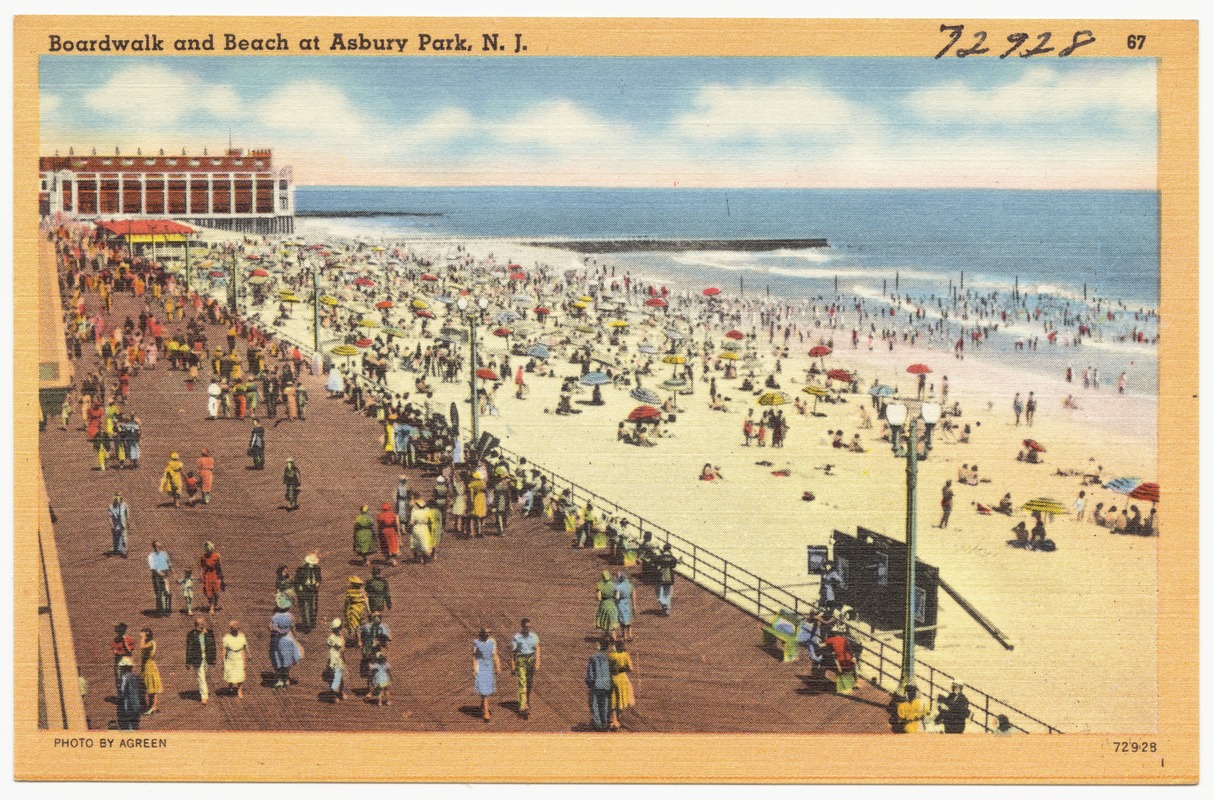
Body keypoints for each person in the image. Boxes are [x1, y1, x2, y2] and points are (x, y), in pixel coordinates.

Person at [269, 596, 303, 688]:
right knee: (287, 660)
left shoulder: (275, 617)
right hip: (289, 639)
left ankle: (280, 679)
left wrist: (278, 631)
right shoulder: (291, 616)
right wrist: (295, 638)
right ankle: (286, 679)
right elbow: (293, 629)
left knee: (278, 659)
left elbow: (271, 628)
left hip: (278, 640)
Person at [510, 618, 540, 719]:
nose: (527, 629)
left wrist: (537, 662)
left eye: (529, 627)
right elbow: (513, 653)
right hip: (521, 660)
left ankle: (526, 700)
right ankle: (522, 705)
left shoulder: (534, 636)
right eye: (525, 627)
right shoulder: (517, 638)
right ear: (522, 626)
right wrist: (513, 665)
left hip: (531, 660)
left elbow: (537, 649)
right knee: (522, 682)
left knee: (529, 683)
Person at [184, 616, 217, 705]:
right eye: (198, 624)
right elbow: (189, 648)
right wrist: (188, 662)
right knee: (201, 677)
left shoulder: (209, 633)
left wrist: (214, 659)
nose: (200, 626)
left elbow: (213, 646)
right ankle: (204, 696)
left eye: (201, 624)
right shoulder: (191, 634)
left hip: (206, 658)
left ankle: (204, 692)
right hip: (197, 658)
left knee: (203, 676)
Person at [585, 637, 613, 731]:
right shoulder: (609, 657)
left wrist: (589, 682)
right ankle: (604, 723)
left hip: (596, 684)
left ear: (600, 645)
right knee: (605, 704)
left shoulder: (593, 657)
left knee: (595, 704)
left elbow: (590, 672)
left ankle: (598, 724)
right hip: (607, 684)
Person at [473, 627, 501, 722]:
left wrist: (498, 666)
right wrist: (474, 668)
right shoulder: (476, 642)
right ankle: (486, 713)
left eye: (489, 632)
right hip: (480, 668)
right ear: (482, 633)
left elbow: (495, 655)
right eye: (486, 632)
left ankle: (483, 704)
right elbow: (474, 657)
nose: (488, 634)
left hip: (489, 667)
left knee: (486, 689)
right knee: (484, 690)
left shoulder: (492, 642)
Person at [608, 640, 636, 731]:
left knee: (613, 699)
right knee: (621, 698)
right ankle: (618, 720)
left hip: (613, 678)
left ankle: (614, 720)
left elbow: (609, 667)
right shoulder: (626, 655)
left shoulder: (611, 655)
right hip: (623, 678)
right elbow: (630, 669)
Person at [294, 552, 322, 632]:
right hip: (304, 589)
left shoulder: (317, 568)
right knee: (305, 607)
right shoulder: (301, 569)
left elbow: (319, 578)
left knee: (313, 607)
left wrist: (318, 583)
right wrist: (300, 588)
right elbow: (297, 580)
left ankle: (312, 622)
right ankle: (307, 624)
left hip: (313, 589)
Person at [115, 657, 143, 730]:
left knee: (129, 718)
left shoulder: (125, 677)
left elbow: (123, 690)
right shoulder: (136, 676)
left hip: (128, 702)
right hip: (137, 701)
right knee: (136, 719)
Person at [139, 627, 162, 715]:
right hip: (146, 667)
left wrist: (142, 638)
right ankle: (152, 705)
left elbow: (141, 647)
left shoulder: (151, 643)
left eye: (142, 632)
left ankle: (153, 707)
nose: (140, 633)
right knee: (149, 688)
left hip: (150, 667)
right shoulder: (149, 643)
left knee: (153, 688)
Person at [222, 620, 247, 698]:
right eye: (233, 629)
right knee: (230, 673)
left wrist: (249, 654)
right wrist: (223, 660)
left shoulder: (242, 636)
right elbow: (224, 650)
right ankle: (230, 686)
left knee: (240, 674)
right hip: (230, 657)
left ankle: (239, 690)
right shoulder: (227, 637)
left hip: (239, 657)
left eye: (236, 629)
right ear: (231, 629)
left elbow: (245, 646)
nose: (235, 631)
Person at [147, 540, 173, 616]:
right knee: (159, 593)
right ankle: (160, 610)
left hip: (165, 576)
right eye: (155, 546)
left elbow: (169, 563)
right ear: (153, 547)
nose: (157, 548)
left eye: (159, 546)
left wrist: (170, 569)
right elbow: (152, 568)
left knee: (167, 593)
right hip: (156, 577)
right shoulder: (151, 556)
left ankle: (168, 610)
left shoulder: (165, 554)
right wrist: (160, 573)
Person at [111, 623, 137, 695]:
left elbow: (129, 650)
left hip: (127, 661)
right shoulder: (115, 640)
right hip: (119, 661)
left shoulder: (129, 640)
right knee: (119, 680)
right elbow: (114, 651)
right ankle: (122, 696)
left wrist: (124, 641)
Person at [595, 569, 620, 640]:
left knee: (605, 620)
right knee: (613, 620)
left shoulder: (600, 584)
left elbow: (599, 598)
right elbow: (617, 596)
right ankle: (613, 636)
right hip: (612, 604)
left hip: (604, 605)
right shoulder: (614, 584)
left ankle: (606, 636)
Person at [326, 618, 347, 701]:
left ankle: (337, 693)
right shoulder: (339, 638)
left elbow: (328, 645)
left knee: (334, 676)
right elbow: (342, 649)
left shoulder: (331, 637)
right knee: (338, 677)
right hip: (337, 658)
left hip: (332, 658)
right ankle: (336, 694)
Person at [375, 502, 401, 566]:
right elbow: (397, 525)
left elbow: (379, 526)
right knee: (393, 545)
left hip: (384, 531)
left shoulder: (380, 516)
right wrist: (398, 533)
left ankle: (389, 558)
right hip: (392, 531)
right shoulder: (393, 515)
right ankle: (392, 560)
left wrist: (379, 533)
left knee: (385, 545)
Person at [409, 497, 435, 563]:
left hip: (416, 528)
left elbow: (411, 522)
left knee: (415, 542)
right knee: (424, 542)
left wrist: (410, 528)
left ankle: (416, 557)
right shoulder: (427, 512)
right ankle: (424, 557)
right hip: (424, 528)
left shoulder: (415, 512)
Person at [656, 544, 677, 615]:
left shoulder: (659, 557)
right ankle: (667, 610)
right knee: (667, 594)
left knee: (659, 595)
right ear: (669, 549)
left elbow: (655, 564)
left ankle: (664, 604)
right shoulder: (673, 558)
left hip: (660, 577)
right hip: (669, 577)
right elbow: (673, 566)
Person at [614, 571, 635, 642]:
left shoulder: (619, 587)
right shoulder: (630, 585)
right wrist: (634, 606)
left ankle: (624, 636)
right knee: (629, 619)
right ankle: (630, 634)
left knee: (622, 620)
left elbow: (617, 597)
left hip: (621, 604)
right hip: (628, 603)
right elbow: (633, 596)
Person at [109, 492, 129, 557]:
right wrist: (111, 524)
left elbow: (126, 514)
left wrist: (128, 522)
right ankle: (116, 549)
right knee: (115, 537)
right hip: (115, 525)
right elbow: (110, 516)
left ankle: (124, 551)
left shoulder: (124, 505)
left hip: (122, 524)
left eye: (120, 497)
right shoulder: (111, 507)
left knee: (123, 537)